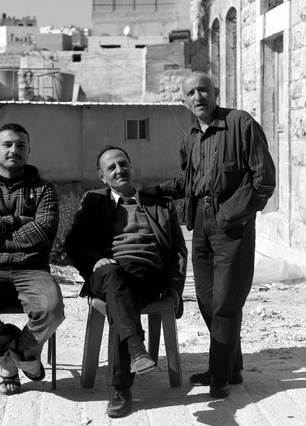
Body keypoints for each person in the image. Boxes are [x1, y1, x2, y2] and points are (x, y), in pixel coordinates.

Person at [145, 71, 276, 399]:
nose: (198, 97)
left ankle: (219, 375)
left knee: (225, 304)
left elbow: (263, 180)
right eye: (190, 93)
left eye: (203, 90)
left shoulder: (241, 124)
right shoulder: (190, 138)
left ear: (214, 91)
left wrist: (232, 216)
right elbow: (186, 182)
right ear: (184, 101)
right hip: (200, 223)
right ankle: (231, 367)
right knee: (205, 297)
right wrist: (151, 191)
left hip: (232, 223)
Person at [65, 145, 187, 418]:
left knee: (123, 294)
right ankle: (134, 350)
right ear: (102, 177)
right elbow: (73, 243)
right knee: (115, 277)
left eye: (123, 164)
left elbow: (179, 250)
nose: (119, 170)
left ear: (132, 167)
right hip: (106, 272)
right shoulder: (95, 201)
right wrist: (95, 261)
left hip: (146, 277)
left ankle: (122, 384)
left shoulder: (161, 204)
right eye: (111, 168)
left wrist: (174, 290)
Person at [0, 123, 64, 395]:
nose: (13, 150)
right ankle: (12, 352)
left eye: (20, 145)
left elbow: (44, 231)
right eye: (7, 144)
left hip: (32, 268)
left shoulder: (44, 189)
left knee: (52, 311)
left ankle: (20, 354)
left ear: (28, 150)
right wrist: (17, 220)